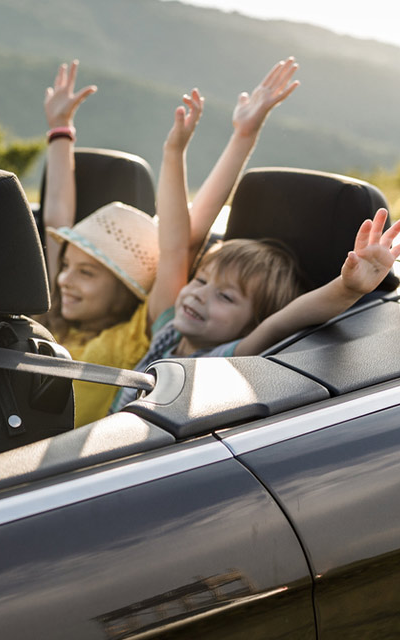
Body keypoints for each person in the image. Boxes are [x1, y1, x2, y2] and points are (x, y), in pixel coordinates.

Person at [110, 88, 400, 409]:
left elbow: (285, 320)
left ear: (249, 324)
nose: (199, 294)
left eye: (226, 297)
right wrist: (175, 150)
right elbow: (174, 246)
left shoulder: (226, 358)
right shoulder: (168, 327)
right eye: (200, 281)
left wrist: (348, 288)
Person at [39, 58, 300, 425]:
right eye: (67, 266)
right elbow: (56, 218)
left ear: (126, 289)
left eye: (87, 272)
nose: (65, 278)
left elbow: (180, 246)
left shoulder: (136, 335)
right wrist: (61, 131)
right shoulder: (55, 306)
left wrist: (242, 137)